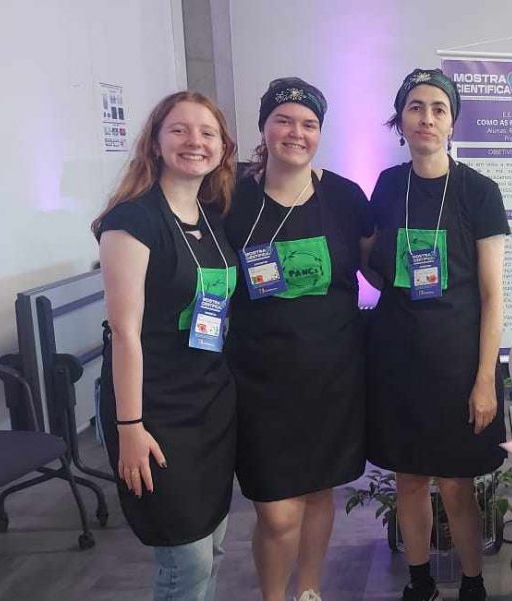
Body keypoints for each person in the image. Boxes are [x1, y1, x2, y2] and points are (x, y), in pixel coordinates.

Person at [362, 68, 508, 601]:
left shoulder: (478, 191)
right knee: (408, 480)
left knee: (455, 484)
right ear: (401, 120)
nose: (426, 118)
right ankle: (420, 583)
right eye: (416, 107)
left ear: (452, 122)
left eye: (438, 109)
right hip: (398, 358)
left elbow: (492, 296)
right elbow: (373, 263)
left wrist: (485, 380)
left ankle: (472, 583)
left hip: (457, 364)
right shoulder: (387, 185)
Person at [225, 78, 370, 601]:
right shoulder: (230, 198)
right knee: (277, 511)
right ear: (264, 127)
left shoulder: (345, 197)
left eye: (309, 124)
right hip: (259, 380)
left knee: (317, 494)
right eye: (283, 120)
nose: (296, 132)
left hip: (331, 375)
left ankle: (309, 591)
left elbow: (374, 267)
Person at [91, 91, 238, 601]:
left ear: (222, 148)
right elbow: (124, 333)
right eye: (179, 130)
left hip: (210, 405)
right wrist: (129, 426)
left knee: (214, 547)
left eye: (207, 132)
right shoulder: (131, 221)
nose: (194, 141)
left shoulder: (211, 217)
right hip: (155, 410)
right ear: (155, 142)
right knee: (186, 560)